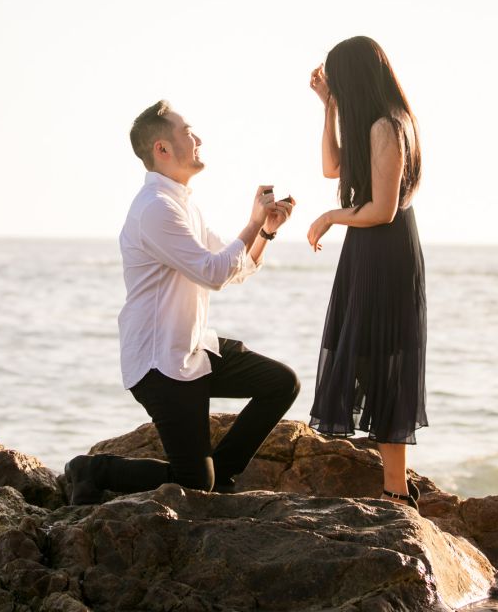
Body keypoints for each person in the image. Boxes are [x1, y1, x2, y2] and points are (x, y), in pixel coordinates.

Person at [64, 101, 300, 504]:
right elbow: (212, 272)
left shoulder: (183, 203)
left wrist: (266, 231)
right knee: (193, 484)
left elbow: (232, 268)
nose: (198, 139)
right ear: (162, 148)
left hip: (192, 349)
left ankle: (221, 475)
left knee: (281, 383)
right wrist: (252, 222)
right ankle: (91, 471)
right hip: (160, 364)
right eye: (188, 132)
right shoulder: (155, 209)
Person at [307, 36, 427, 509]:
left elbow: (383, 210)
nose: (333, 86)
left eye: (337, 81)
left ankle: (396, 488)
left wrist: (331, 217)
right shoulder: (376, 123)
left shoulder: (387, 126)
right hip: (368, 251)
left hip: (384, 250)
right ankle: (396, 481)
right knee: (367, 354)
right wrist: (328, 107)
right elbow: (330, 166)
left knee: (383, 357)